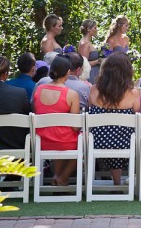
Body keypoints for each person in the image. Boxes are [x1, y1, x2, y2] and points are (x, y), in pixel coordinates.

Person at [88, 52, 140, 186]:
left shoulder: (94, 90)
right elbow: (137, 113)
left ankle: (117, 182)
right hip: (125, 143)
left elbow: (89, 110)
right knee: (126, 132)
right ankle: (124, 181)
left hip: (97, 141)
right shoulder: (133, 93)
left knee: (109, 133)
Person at [32, 54, 80, 186]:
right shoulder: (71, 94)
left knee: (61, 135)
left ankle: (56, 176)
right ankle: (62, 178)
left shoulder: (39, 89)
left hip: (42, 140)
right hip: (64, 141)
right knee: (84, 143)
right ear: (68, 72)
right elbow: (75, 127)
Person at [78, 19, 102, 84]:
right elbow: (84, 63)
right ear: (88, 29)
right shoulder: (84, 44)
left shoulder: (88, 42)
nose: (97, 29)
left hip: (95, 71)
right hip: (90, 74)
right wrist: (98, 61)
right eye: (95, 28)